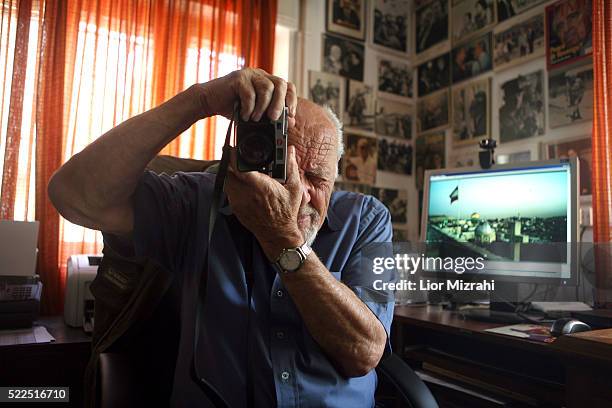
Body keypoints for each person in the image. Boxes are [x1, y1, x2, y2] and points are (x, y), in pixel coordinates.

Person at [48, 68, 394, 407]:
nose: (298, 192)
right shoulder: (199, 202)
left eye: (317, 179)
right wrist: (200, 100)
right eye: (282, 169)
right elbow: (72, 196)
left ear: (336, 175)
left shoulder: (367, 218)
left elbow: (363, 352)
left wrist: (281, 235)